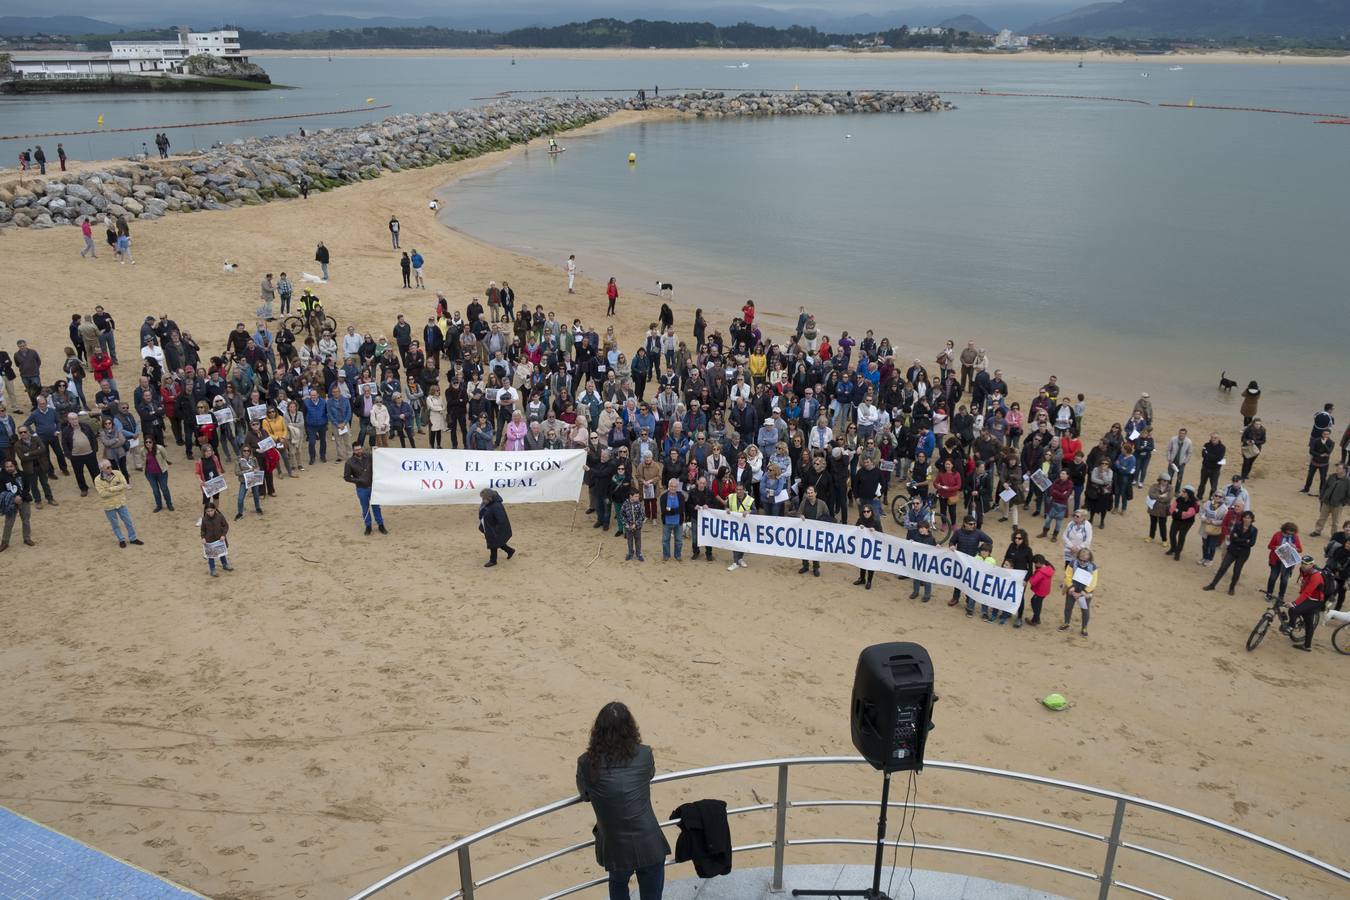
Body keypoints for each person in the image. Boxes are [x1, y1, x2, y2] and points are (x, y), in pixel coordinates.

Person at [576, 702, 669, 900]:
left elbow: (585, 795)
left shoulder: (586, 763)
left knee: (618, 884)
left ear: (597, 730)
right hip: (649, 844)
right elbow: (649, 774)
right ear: (630, 728)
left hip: (615, 847)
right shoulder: (644, 754)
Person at [1204, 510, 1257, 595]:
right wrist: (1245, 540)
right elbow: (1233, 538)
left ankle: (1232, 588)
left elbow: (1252, 543)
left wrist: (1239, 539)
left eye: (1249, 518)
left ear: (1252, 519)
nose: (1247, 519)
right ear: (1242, 518)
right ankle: (1212, 585)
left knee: (1237, 571)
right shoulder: (1237, 525)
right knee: (1222, 568)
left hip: (1242, 554)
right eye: (1245, 517)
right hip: (1232, 550)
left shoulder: (1254, 530)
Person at [1280, 556, 1326, 652]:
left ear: (1312, 565)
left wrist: (1294, 603)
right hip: (1308, 598)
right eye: (1302, 563)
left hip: (1315, 600)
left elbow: (1307, 592)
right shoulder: (1303, 570)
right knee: (1309, 622)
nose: (1303, 565)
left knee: (1293, 609)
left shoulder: (1316, 576)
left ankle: (1291, 626)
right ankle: (1307, 646)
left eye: (1306, 564)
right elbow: (1304, 584)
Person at [94, 459, 141, 548]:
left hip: (121, 503)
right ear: (102, 469)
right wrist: (118, 490)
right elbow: (103, 494)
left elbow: (124, 484)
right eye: (108, 467)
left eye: (111, 466)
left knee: (128, 521)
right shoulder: (97, 480)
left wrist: (111, 489)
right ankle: (121, 540)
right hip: (109, 506)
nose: (110, 468)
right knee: (115, 524)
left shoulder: (117, 473)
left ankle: (133, 538)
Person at [343, 444, 386, 535]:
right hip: (361, 488)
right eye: (357, 450)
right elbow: (347, 477)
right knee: (365, 508)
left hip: (373, 487)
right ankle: (368, 526)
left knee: (376, 507)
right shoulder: (349, 462)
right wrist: (358, 481)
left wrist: (377, 450)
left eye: (360, 449)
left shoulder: (369, 456)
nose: (359, 451)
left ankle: (381, 525)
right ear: (353, 451)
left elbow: (380, 458)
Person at [1060, 548, 1098, 637]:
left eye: (1085, 556)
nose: (1083, 558)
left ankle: (1084, 628)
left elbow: (1093, 582)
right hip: (1072, 589)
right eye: (1081, 556)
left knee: (1085, 610)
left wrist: (1082, 593)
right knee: (1068, 607)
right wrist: (1071, 587)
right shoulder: (1073, 563)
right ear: (1079, 555)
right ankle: (1066, 623)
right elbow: (1068, 576)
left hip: (1084, 593)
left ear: (1089, 556)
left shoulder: (1093, 567)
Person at [0, 458, 35, 551]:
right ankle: (4, 542)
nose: (9, 468)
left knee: (26, 521)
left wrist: (20, 497)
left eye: (10, 466)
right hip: (10, 503)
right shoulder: (2, 477)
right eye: (7, 467)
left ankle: (27, 539)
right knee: (9, 523)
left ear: (15, 466)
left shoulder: (23, 474)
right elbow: (2, 490)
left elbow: (27, 488)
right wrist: (13, 498)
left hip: (24, 500)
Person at [1265, 522, 1302, 601]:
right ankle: (1269, 593)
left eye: (1291, 533)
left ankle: (1281, 596)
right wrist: (1276, 547)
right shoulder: (1277, 535)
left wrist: (1295, 547)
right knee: (1272, 578)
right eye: (1288, 533)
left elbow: (1300, 550)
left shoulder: (1295, 537)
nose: (1290, 535)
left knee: (1284, 580)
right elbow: (1269, 546)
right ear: (1284, 530)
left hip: (1288, 562)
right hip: (1276, 561)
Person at [478, 488, 515, 566]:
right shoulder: (488, 504)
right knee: (497, 542)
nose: (482, 500)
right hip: (489, 527)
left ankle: (493, 560)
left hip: (493, 528)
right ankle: (510, 550)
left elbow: (501, 520)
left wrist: (495, 531)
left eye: (484, 498)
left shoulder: (496, 506)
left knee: (493, 543)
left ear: (489, 498)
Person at [1310, 463, 1348, 537]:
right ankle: (1317, 531)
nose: (1337, 469)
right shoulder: (1332, 476)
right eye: (1337, 468)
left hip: (1337, 504)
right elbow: (1325, 487)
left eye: (1339, 468)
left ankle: (1334, 535)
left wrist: (1342, 503)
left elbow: (1348, 495)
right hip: (1326, 502)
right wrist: (1322, 496)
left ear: (1344, 470)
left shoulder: (1347, 481)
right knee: (1322, 518)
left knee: (1335, 521)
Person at [852, 502, 882, 589]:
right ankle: (862, 578)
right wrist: (858, 528)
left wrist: (875, 531)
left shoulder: (876, 522)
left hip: (872, 546)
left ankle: (869, 581)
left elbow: (882, 535)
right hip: (862, 545)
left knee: (870, 563)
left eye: (868, 511)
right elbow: (854, 531)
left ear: (871, 512)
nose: (866, 513)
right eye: (864, 511)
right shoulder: (860, 520)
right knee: (862, 562)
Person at [725, 483, 754, 571]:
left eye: (740, 489)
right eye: (737, 489)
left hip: (744, 525)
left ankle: (740, 558)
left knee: (742, 542)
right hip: (733, 525)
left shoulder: (750, 499)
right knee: (735, 543)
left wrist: (749, 512)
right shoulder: (731, 497)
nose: (739, 491)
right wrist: (726, 508)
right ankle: (735, 562)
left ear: (744, 490)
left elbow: (755, 510)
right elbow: (726, 505)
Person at [1166, 486, 1198, 561]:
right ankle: (1173, 548)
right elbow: (1171, 509)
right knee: (1172, 534)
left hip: (1187, 522)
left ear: (1189, 493)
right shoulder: (1179, 499)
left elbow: (1189, 514)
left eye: (1184, 492)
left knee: (1181, 536)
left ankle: (1178, 552)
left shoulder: (1193, 503)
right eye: (1182, 491)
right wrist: (1179, 513)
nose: (1182, 493)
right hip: (1177, 519)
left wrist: (1178, 512)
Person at [201, 503, 232, 576]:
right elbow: (202, 530)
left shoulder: (220, 517)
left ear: (215, 509)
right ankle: (212, 569)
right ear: (205, 511)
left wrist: (223, 535)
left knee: (221, 553)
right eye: (208, 511)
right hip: (209, 540)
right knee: (211, 556)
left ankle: (225, 564)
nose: (210, 513)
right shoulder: (204, 519)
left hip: (219, 539)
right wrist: (203, 538)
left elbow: (226, 526)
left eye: (211, 510)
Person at [234, 445, 264, 520]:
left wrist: (257, 469)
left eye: (248, 451)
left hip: (253, 480)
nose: (246, 452)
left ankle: (258, 508)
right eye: (244, 450)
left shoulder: (253, 459)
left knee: (256, 495)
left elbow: (257, 467)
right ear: (242, 451)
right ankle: (240, 513)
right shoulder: (238, 460)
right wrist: (247, 471)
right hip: (244, 481)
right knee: (240, 498)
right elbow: (237, 473)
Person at [659, 478, 685, 562]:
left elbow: (682, 509)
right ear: (668, 486)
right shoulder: (663, 497)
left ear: (677, 487)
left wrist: (670, 509)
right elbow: (664, 511)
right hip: (667, 522)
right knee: (665, 540)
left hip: (678, 522)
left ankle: (677, 555)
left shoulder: (681, 496)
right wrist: (675, 510)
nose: (673, 488)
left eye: (675, 486)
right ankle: (666, 555)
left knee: (679, 540)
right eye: (671, 486)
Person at [620, 488, 645, 562]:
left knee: (638, 540)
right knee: (629, 541)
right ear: (631, 496)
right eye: (636, 496)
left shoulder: (639, 504)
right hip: (628, 528)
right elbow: (622, 515)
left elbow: (642, 515)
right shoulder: (625, 504)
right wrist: (626, 524)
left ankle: (639, 553)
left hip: (637, 527)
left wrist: (636, 524)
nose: (638, 498)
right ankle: (630, 553)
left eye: (638, 496)